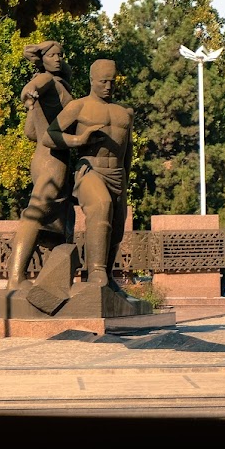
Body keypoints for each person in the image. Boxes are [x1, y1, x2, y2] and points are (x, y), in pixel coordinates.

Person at [48, 58, 133, 288]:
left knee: (116, 228)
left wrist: (124, 178)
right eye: (103, 81)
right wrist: (79, 140)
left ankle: (108, 278)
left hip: (117, 173)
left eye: (112, 82)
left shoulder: (124, 112)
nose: (108, 86)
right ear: (91, 80)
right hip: (90, 169)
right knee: (101, 206)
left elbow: (128, 151)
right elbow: (50, 135)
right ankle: (96, 272)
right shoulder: (79, 106)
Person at [7, 40, 75, 289]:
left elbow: (30, 133)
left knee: (59, 220)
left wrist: (33, 110)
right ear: (42, 59)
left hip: (48, 157)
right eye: (53, 55)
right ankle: (15, 279)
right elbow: (31, 87)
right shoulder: (47, 81)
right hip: (51, 160)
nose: (58, 59)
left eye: (61, 54)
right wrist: (28, 96)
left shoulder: (58, 84)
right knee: (36, 214)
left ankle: (53, 286)